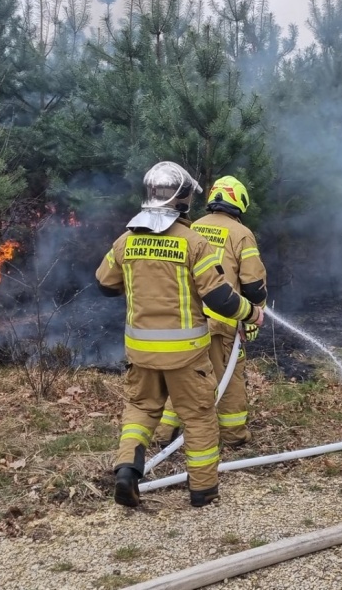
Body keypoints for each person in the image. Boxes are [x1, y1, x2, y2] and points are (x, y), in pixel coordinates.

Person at [95, 162, 265, 508]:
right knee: (199, 416)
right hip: (186, 354)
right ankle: (203, 491)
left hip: (140, 352)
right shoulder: (191, 242)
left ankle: (127, 470)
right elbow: (219, 297)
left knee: (140, 410)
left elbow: (105, 283)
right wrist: (251, 312)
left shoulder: (126, 240)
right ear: (183, 200)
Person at [155, 176, 267, 449]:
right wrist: (255, 311)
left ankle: (163, 430)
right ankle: (233, 435)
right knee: (228, 376)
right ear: (239, 201)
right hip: (223, 319)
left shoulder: (193, 228)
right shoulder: (241, 234)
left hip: (188, 318)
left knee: (184, 376)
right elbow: (253, 283)